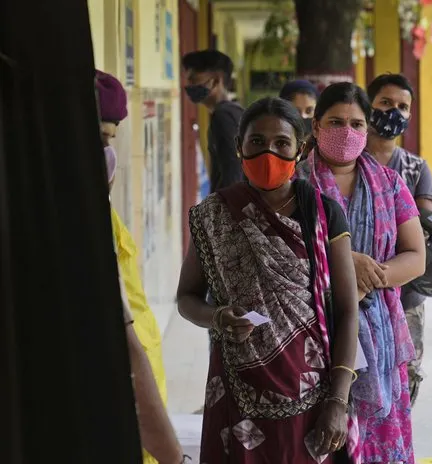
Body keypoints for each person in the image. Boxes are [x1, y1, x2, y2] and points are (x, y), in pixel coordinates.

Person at [176, 97, 361, 464]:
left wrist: (338, 401)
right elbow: (186, 298)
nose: (269, 152)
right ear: (239, 147)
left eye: (281, 143)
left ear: (300, 148)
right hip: (235, 389)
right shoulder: (214, 215)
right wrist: (216, 317)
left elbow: (347, 309)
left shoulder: (323, 213)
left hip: (313, 392)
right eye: (257, 142)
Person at [297, 82, 426, 464]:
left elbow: (416, 256)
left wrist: (373, 275)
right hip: (312, 331)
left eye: (356, 124)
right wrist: (342, 262)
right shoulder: (294, 185)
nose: (347, 132)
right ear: (316, 126)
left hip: (380, 334)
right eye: (335, 122)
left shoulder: (389, 184)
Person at [96, 70, 184, 464]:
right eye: (98, 140)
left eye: (109, 141)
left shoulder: (102, 215)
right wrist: (173, 456)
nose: (107, 154)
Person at [366, 73, 432, 406]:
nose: (393, 112)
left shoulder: (414, 168)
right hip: (354, 286)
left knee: (403, 377)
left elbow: (426, 226)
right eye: (385, 103)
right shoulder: (345, 164)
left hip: (405, 293)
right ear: (368, 106)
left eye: (402, 107)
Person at [182, 50, 244, 192]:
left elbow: (233, 170)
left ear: (215, 81)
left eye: (193, 80)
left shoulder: (223, 117)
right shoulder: (235, 112)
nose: (189, 86)